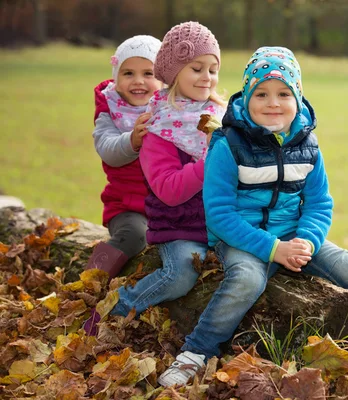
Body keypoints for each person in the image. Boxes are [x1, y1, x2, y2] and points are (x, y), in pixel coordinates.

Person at [157, 46, 348, 387]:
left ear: (298, 98)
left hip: (296, 235)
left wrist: (306, 240)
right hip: (244, 239)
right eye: (261, 93)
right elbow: (219, 214)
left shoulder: (307, 145)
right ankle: (195, 353)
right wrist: (274, 250)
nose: (272, 102)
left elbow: (319, 203)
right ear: (246, 97)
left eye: (283, 94)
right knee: (246, 281)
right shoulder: (227, 145)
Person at [107, 21, 226, 345]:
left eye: (213, 70)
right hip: (180, 226)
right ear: (173, 73)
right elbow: (169, 190)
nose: (207, 77)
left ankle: (210, 343)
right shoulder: (159, 128)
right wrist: (209, 164)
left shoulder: (224, 117)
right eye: (196, 68)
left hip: (222, 223)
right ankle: (120, 307)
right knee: (181, 275)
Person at [84, 35, 162, 335]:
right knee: (134, 236)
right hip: (128, 205)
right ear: (116, 78)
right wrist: (132, 140)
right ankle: (90, 279)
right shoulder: (110, 110)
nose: (138, 81)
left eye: (148, 73)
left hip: (168, 202)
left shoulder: (171, 108)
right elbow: (107, 150)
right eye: (128, 73)